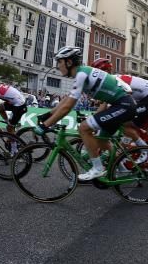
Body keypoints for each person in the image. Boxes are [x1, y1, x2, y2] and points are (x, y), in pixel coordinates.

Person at [36, 47, 136, 181]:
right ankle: (122, 167)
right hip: (122, 105)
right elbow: (66, 99)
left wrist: (45, 125)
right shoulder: (82, 74)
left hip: (123, 105)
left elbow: (67, 107)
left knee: (83, 128)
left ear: (69, 62)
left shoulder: (81, 75)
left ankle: (97, 168)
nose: (58, 66)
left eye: (59, 62)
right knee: (101, 140)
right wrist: (48, 115)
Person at [0, 73, 27, 144]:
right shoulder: (0, 85)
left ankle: (14, 150)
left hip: (19, 106)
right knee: (0, 107)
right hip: (18, 102)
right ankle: (8, 123)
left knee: (10, 129)